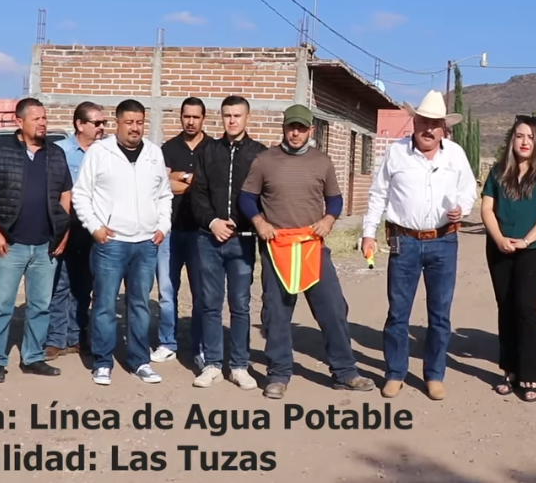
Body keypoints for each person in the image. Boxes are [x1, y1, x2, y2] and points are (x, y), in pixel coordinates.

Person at [239, 104, 375, 400]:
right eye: (292, 127)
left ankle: (345, 371)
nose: (296, 132)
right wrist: (259, 221)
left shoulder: (322, 162)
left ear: (311, 130)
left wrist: (328, 219)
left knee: (334, 308)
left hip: (313, 245)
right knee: (276, 312)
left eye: (302, 128)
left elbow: (335, 199)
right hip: (277, 247)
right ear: (284, 128)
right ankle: (278, 373)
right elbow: (247, 198)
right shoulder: (265, 161)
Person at [361, 90, 478, 401]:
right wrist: (368, 233)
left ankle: (434, 374)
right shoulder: (396, 153)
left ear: (443, 128)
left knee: (440, 313)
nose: (429, 129)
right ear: (414, 122)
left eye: (435, 124)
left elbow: (468, 191)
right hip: (405, 241)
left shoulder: (455, 155)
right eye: (424, 122)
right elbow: (378, 195)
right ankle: (395, 373)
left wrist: (461, 209)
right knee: (399, 312)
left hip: (443, 241)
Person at [72, 99, 173, 386]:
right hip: (112, 243)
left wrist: (162, 226)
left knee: (139, 305)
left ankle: (139, 361)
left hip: (145, 243)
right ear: (117, 123)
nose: (135, 128)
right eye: (129, 122)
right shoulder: (99, 152)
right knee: (104, 303)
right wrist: (94, 227)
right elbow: (81, 194)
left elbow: (164, 195)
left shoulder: (154, 154)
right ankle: (103, 362)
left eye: (139, 122)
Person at [0, 97, 73, 383]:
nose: (43, 123)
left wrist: (62, 231)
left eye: (44, 118)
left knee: (40, 305)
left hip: (45, 247)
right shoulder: (0, 151)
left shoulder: (55, 154)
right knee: (2, 305)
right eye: (37, 118)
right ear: (20, 121)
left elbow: (66, 194)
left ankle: (32, 357)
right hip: (9, 245)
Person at [480, 115, 536, 403]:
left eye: (530, 137)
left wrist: (527, 240)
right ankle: (510, 370)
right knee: (505, 306)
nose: (524, 141)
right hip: (499, 248)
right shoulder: (498, 172)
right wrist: (499, 239)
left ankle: (531, 373)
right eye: (519, 136)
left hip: (534, 249)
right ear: (512, 140)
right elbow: (487, 209)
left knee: (525, 307)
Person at [190, 95, 267, 389]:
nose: (232, 120)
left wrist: (246, 223)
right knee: (210, 304)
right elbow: (198, 194)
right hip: (209, 240)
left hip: (243, 242)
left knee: (240, 305)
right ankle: (212, 364)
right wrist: (213, 222)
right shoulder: (207, 151)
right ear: (220, 118)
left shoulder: (259, 154)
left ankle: (239, 365)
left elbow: (263, 196)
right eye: (227, 115)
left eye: (237, 115)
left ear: (248, 118)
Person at [150, 98, 211, 368]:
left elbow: (211, 187)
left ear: (203, 118)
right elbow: (162, 185)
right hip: (170, 230)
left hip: (201, 233)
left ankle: (200, 346)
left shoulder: (213, 148)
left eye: (196, 117)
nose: (190, 121)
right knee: (166, 290)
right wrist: (193, 180)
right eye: (186, 116)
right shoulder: (168, 148)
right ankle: (167, 343)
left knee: (202, 292)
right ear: (181, 118)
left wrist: (180, 177)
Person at [45, 101, 105, 360]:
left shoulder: (105, 151)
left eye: (104, 123)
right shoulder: (60, 151)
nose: (102, 127)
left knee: (84, 286)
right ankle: (56, 339)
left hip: (93, 229)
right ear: (80, 124)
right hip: (64, 227)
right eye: (97, 123)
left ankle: (78, 336)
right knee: (59, 285)